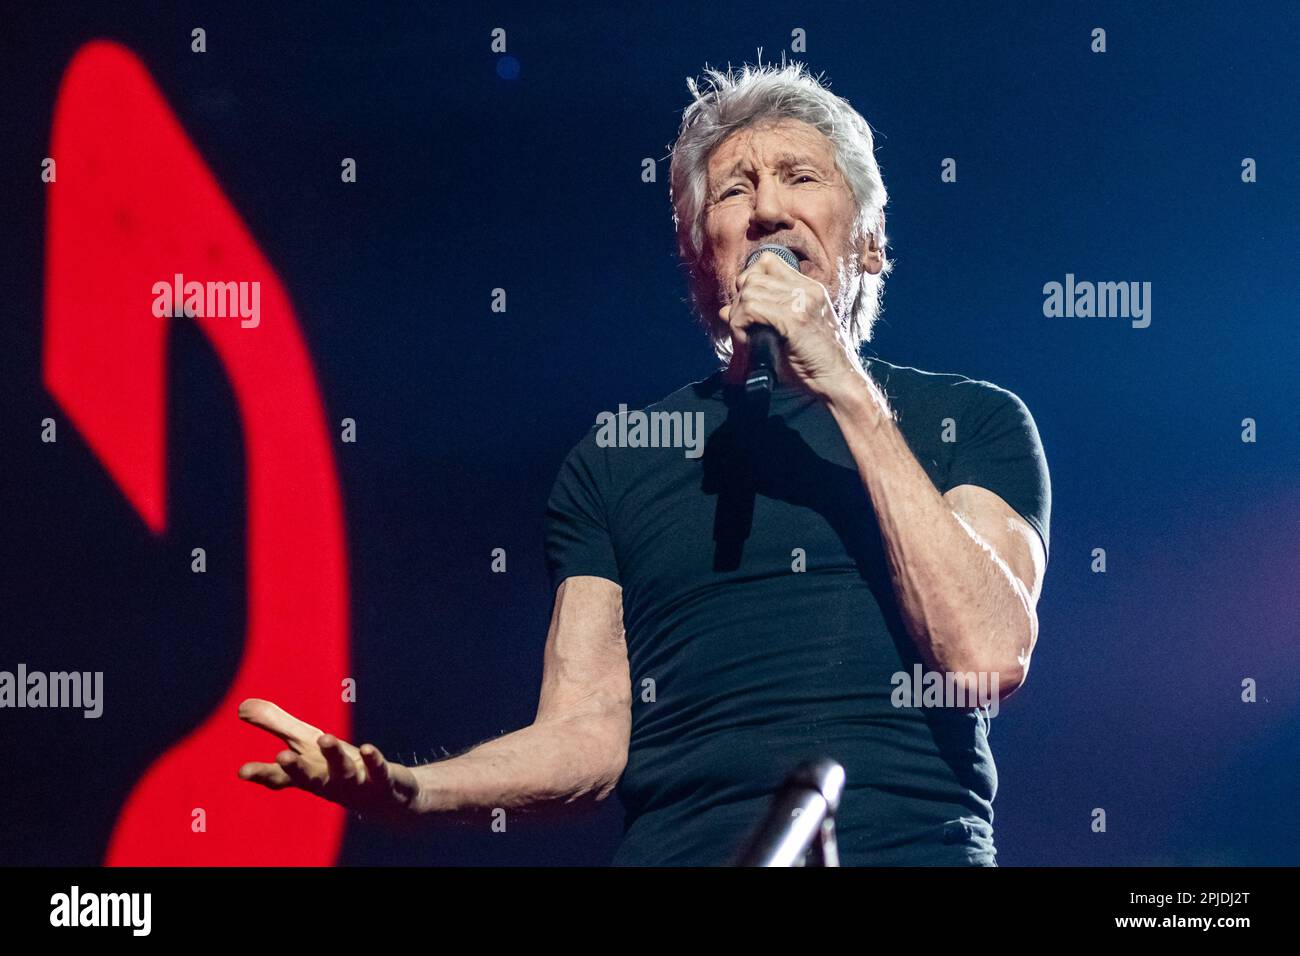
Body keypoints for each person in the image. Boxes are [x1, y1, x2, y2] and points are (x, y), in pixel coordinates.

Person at [237, 61, 1050, 866]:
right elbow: (586, 734)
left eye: (800, 177)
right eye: (735, 191)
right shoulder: (617, 461)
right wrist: (417, 790)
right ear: (702, 260)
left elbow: (983, 654)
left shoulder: (970, 422)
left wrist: (842, 385)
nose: (767, 208)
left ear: (871, 241)